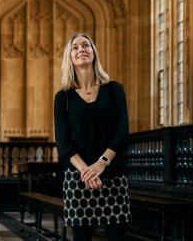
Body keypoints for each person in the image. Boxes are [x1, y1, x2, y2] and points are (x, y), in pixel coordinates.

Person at [53, 32, 131, 241]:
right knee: (81, 237)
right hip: (78, 177)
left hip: (112, 173)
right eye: (75, 47)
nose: (81, 50)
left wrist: (102, 164)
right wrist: (87, 172)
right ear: (69, 57)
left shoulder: (114, 90)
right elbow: (63, 143)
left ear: (93, 53)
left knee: (116, 236)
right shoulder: (63, 98)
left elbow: (122, 133)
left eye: (85, 45)